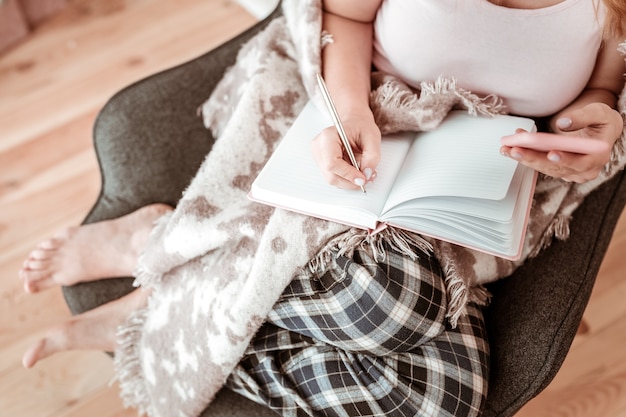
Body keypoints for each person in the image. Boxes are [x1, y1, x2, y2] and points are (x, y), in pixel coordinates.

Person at [18, 0, 626, 416]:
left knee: (442, 401)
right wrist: (348, 108)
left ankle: (168, 301)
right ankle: (161, 249)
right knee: (395, 299)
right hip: (365, 124)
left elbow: (600, 96)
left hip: (463, 195)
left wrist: (589, 133)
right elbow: (336, 14)